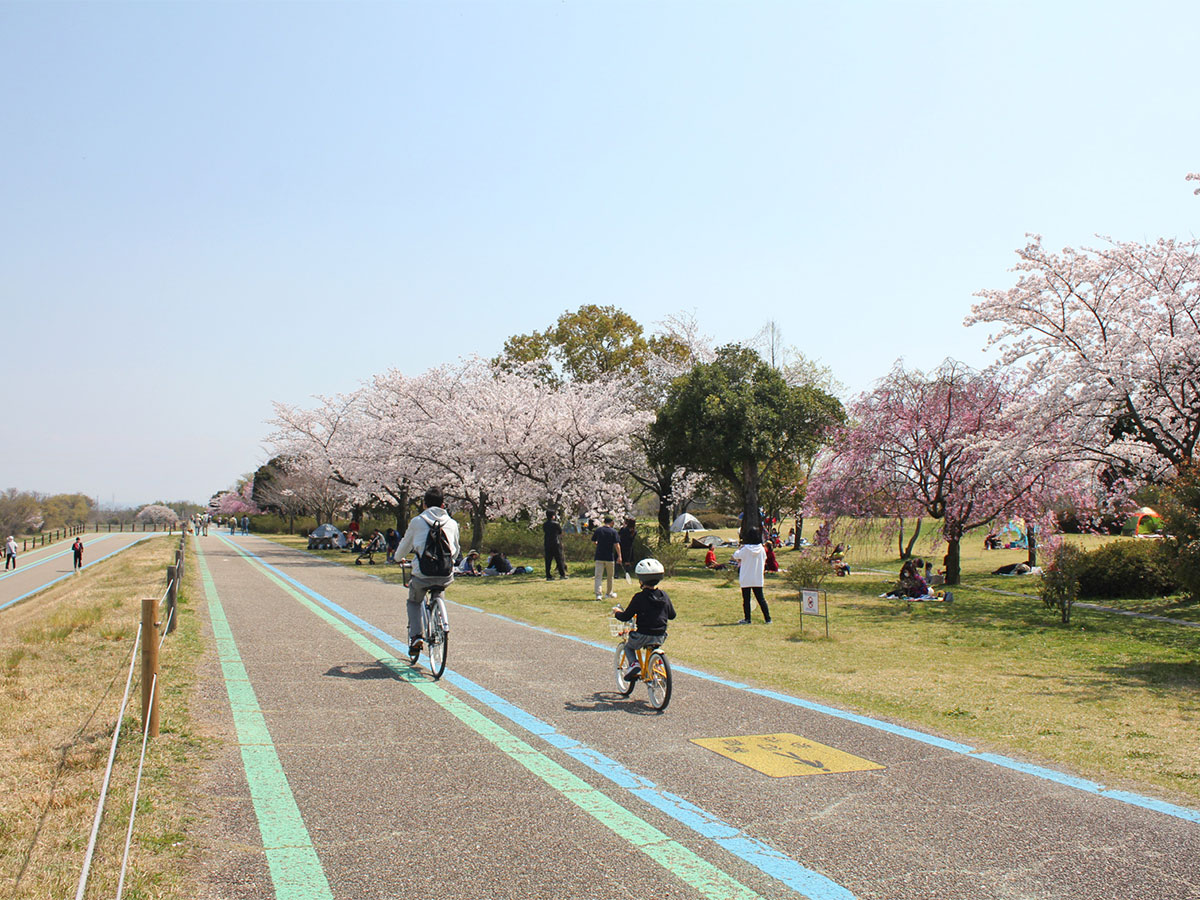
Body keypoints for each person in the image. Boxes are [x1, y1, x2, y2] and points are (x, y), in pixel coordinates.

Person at [395, 486, 461, 658]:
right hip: (445, 574)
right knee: (439, 590)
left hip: (422, 573)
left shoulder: (417, 522)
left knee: (414, 602)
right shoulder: (452, 524)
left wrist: (397, 558)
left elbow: (405, 545)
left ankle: (417, 636)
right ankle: (439, 619)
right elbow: (454, 551)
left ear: (424, 505)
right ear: (443, 505)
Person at [611, 558, 676, 683]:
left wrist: (617, 613)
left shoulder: (639, 597)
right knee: (652, 646)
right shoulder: (664, 595)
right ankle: (656, 666)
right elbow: (672, 615)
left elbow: (626, 616)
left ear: (641, 579)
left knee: (629, 647)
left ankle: (634, 664)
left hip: (642, 635)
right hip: (660, 636)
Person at [731, 527, 771, 624]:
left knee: (746, 599)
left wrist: (740, 548)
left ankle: (747, 619)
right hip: (757, 577)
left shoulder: (746, 549)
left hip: (746, 577)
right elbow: (764, 559)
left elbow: (736, 555)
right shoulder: (761, 549)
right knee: (761, 599)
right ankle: (768, 618)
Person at [591, 515, 622, 601]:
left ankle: (598, 594)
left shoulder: (598, 530)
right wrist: (619, 556)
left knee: (598, 576)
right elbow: (617, 545)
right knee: (610, 576)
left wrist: (598, 544)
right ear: (612, 523)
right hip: (609, 557)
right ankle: (609, 593)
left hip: (599, 556)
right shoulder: (613, 532)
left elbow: (594, 541)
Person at [542, 511, 568, 580]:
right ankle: (562, 574)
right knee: (559, 559)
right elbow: (560, 531)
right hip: (556, 543)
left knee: (548, 560)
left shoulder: (545, 524)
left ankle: (548, 575)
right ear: (553, 516)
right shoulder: (556, 524)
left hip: (547, 543)